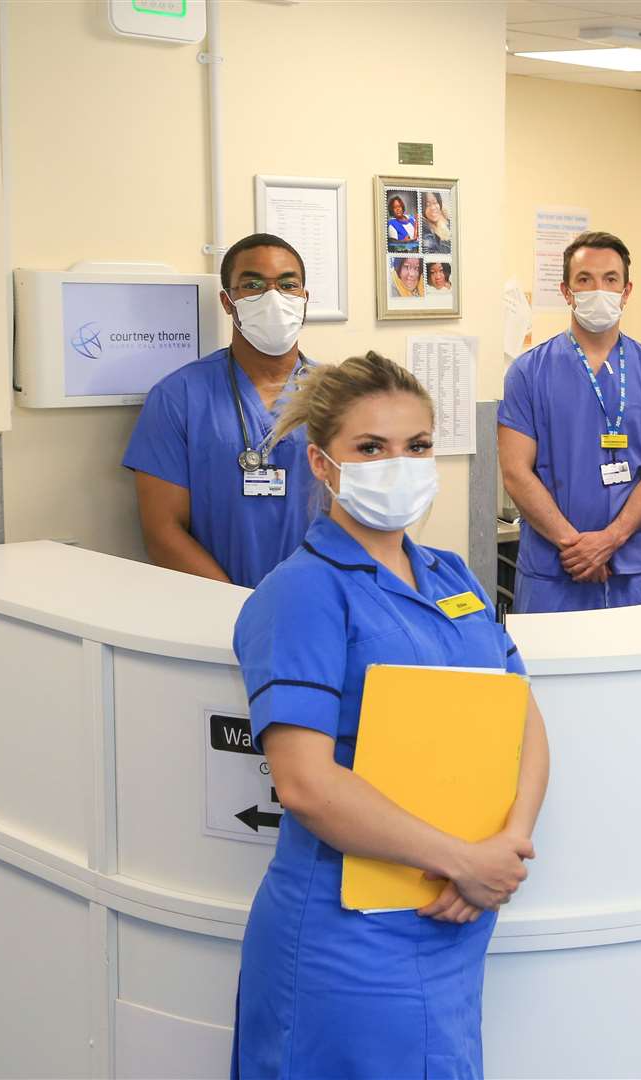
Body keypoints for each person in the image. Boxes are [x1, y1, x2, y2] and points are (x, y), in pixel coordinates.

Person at [230, 351, 550, 1078]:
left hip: (454, 916)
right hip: (349, 937)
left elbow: (522, 718)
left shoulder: (452, 575)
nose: (397, 464)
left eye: (417, 446)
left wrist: (505, 852)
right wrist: (464, 861)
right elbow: (306, 784)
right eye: (370, 448)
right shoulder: (302, 593)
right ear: (321, 463)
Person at [497, 230, 641, 612]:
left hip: (628, 567)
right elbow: (515, 472)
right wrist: (574, 545)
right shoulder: (528, 372)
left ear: (626, 290)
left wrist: (610, 540)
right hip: (554, 568)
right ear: (567, 291)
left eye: (610, 280)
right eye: (585, 280)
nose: (598, 289)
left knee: (630, 669)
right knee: (549, 670)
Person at [123, 233, 316, 588]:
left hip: (321, 603)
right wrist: (237, 607)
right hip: (216, 608)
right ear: (228, 302)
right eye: (253, 284)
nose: (273, 297)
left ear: (304, 299)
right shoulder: (178, 396)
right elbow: (162, 532)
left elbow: (363, 517)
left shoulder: (340, 397)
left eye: (288, 284)